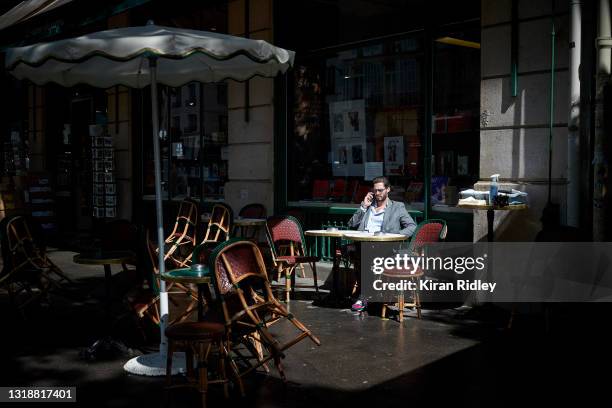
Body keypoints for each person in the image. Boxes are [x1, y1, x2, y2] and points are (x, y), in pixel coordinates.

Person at [347, 176, 416, 312]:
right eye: (375, 191)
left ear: (388, 189)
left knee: (364, 255)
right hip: (365, 244)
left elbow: (411, 226)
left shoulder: (397, 207)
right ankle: (367, 294)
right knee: (356, 251)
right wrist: (363, 206)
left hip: (386, 247)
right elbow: (351, 224)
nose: (378, 193)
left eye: (380, 190)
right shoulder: (368, 207)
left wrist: (396, 236)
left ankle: (365, 295)